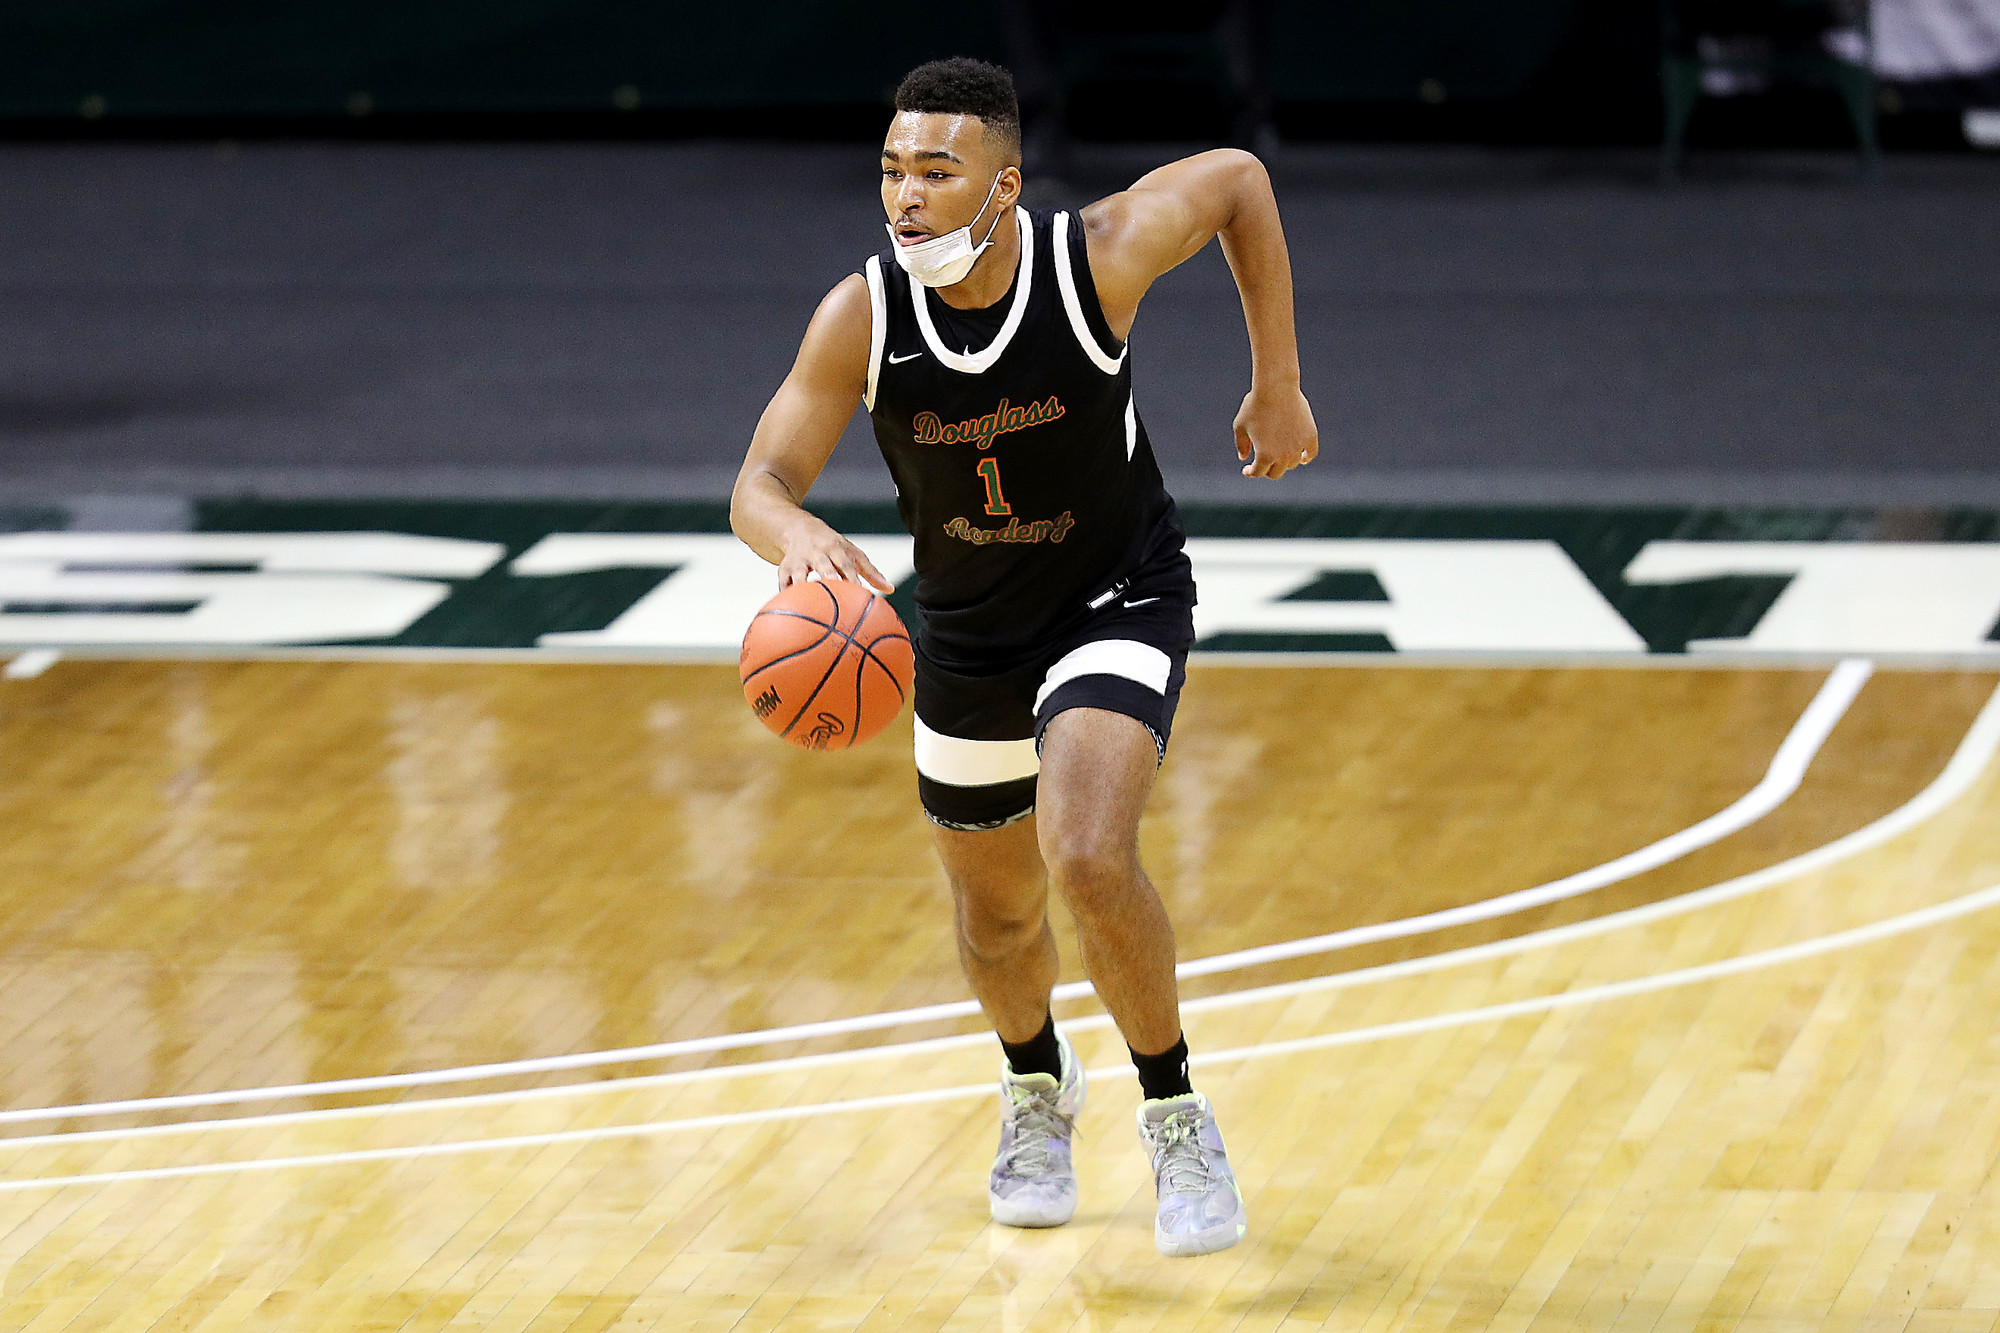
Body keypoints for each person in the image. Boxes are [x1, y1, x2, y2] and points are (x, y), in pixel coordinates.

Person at [730, 56, 1316, 1257]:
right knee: (995, 919)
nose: (904, 196)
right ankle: (1035, 1082)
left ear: (1003, 186)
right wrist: (794, 535)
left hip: (1116, 593)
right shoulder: (864, 313)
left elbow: (1238, 183)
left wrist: (1278, 382)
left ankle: (1175, 1114)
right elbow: (760, 479)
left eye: (936, 172)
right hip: (964, 627)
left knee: (1088, 854)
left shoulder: (1088, 257)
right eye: (891, 170)